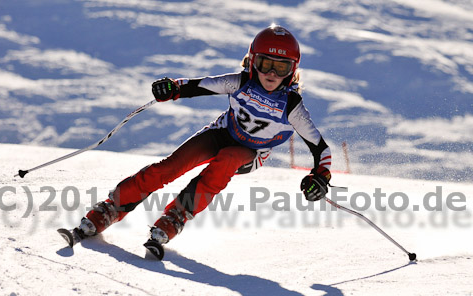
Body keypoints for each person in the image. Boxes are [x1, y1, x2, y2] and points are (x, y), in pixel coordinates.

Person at [59, 24, 332, 258]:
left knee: (226, 161)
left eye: (281, 67)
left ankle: (175, 217)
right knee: (170, 167)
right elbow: (199, 85)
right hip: (222, 132)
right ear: (252, 61)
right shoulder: (239, 82)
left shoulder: (291, 106)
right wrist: (173, 88)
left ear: (292, 69)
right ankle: (109, 209)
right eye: (265, 64)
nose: (271, 74)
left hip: (251, 152)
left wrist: (321, 176)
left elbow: (320, 148)